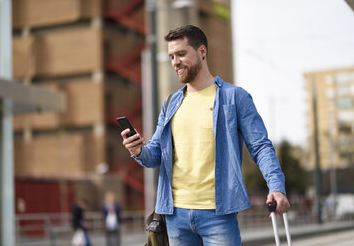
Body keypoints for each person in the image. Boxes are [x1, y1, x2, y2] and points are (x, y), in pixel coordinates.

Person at [121, 25, 290, 246]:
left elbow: (260, 146)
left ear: (202, 52)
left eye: (181, 54)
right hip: (175, 215)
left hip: (218, 214)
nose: (175, 62)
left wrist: (276, 187)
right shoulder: (170, 104)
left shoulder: (234, 97)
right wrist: (138, 150)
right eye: (171, 56)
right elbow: (155, 156)